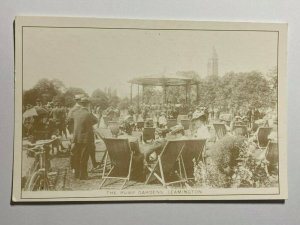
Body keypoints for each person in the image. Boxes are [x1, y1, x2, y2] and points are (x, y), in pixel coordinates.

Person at [72, 97, 98, 180]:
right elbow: (96, 120)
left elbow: (71, 121)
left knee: (77, 156)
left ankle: (76, 174)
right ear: (87, 104)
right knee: (84, 157)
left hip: (76, 137)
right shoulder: (88, 113)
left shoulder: (75, 112)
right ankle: (83, 175)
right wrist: (88, 125)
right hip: (85, 138)